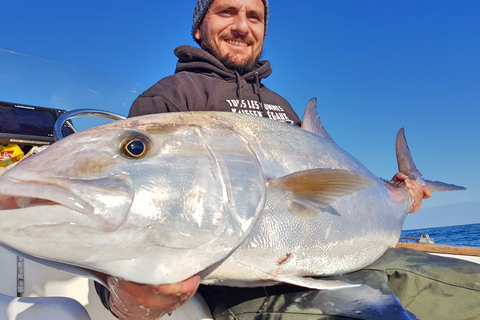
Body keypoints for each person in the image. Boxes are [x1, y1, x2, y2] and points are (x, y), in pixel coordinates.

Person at [95, 0, 448, 319]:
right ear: (199, 27)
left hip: (333, 267)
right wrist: (131, 295)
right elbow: (129, 220)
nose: (241, 26)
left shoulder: (280, 105)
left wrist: (400, 195)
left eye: (254, 17)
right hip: (245, 295)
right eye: (226, 12)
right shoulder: (169, 100)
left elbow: (332, 194)